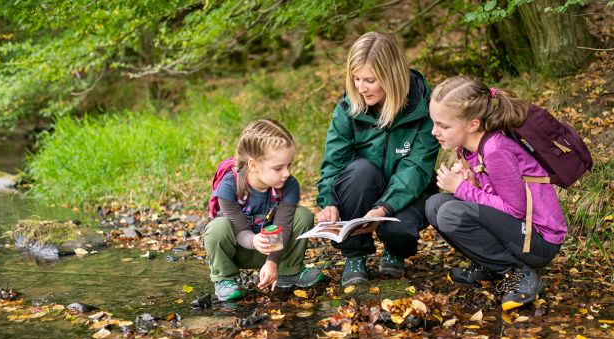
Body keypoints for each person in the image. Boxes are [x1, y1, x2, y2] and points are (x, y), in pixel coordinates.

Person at [425, 76, 567, 310]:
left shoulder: (495, 150)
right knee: (435, 205)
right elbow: (495, 194)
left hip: (539, 242)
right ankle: (488, 265)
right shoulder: (468, 148)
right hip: (518, 232)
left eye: (444, 126)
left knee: (450, 213)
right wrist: (472, 182)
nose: (434, 132)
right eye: (434, 123)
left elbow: (515, 209)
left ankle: (518, 273)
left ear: (472, 125)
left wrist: (462, 189)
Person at [316, 31, 440, 286]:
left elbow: (416, 168)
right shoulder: (347, 109)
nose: (361, 88)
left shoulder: (425, 111)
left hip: (409, 191)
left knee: (398, 229)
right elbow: (334, 163)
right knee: (361, 171)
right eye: (356, 78)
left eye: (370, 80)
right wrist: (329, 202)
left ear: (392, 76)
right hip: (364, 188)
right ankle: (355, 255)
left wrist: (384, 208)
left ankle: (395, 250)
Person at [205, 119, 323, 301]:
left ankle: (288, 271)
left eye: (289, 165)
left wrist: (272, 262)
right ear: (253, 165)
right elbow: (240, 230)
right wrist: (254, 240)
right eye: (278, 168)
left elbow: (283, 226)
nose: (287, 173)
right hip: (239, 249)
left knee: (303, 215)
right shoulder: (229, 186)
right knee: (217, 227)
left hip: (275, 249)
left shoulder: (289, 185)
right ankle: (225, 278)